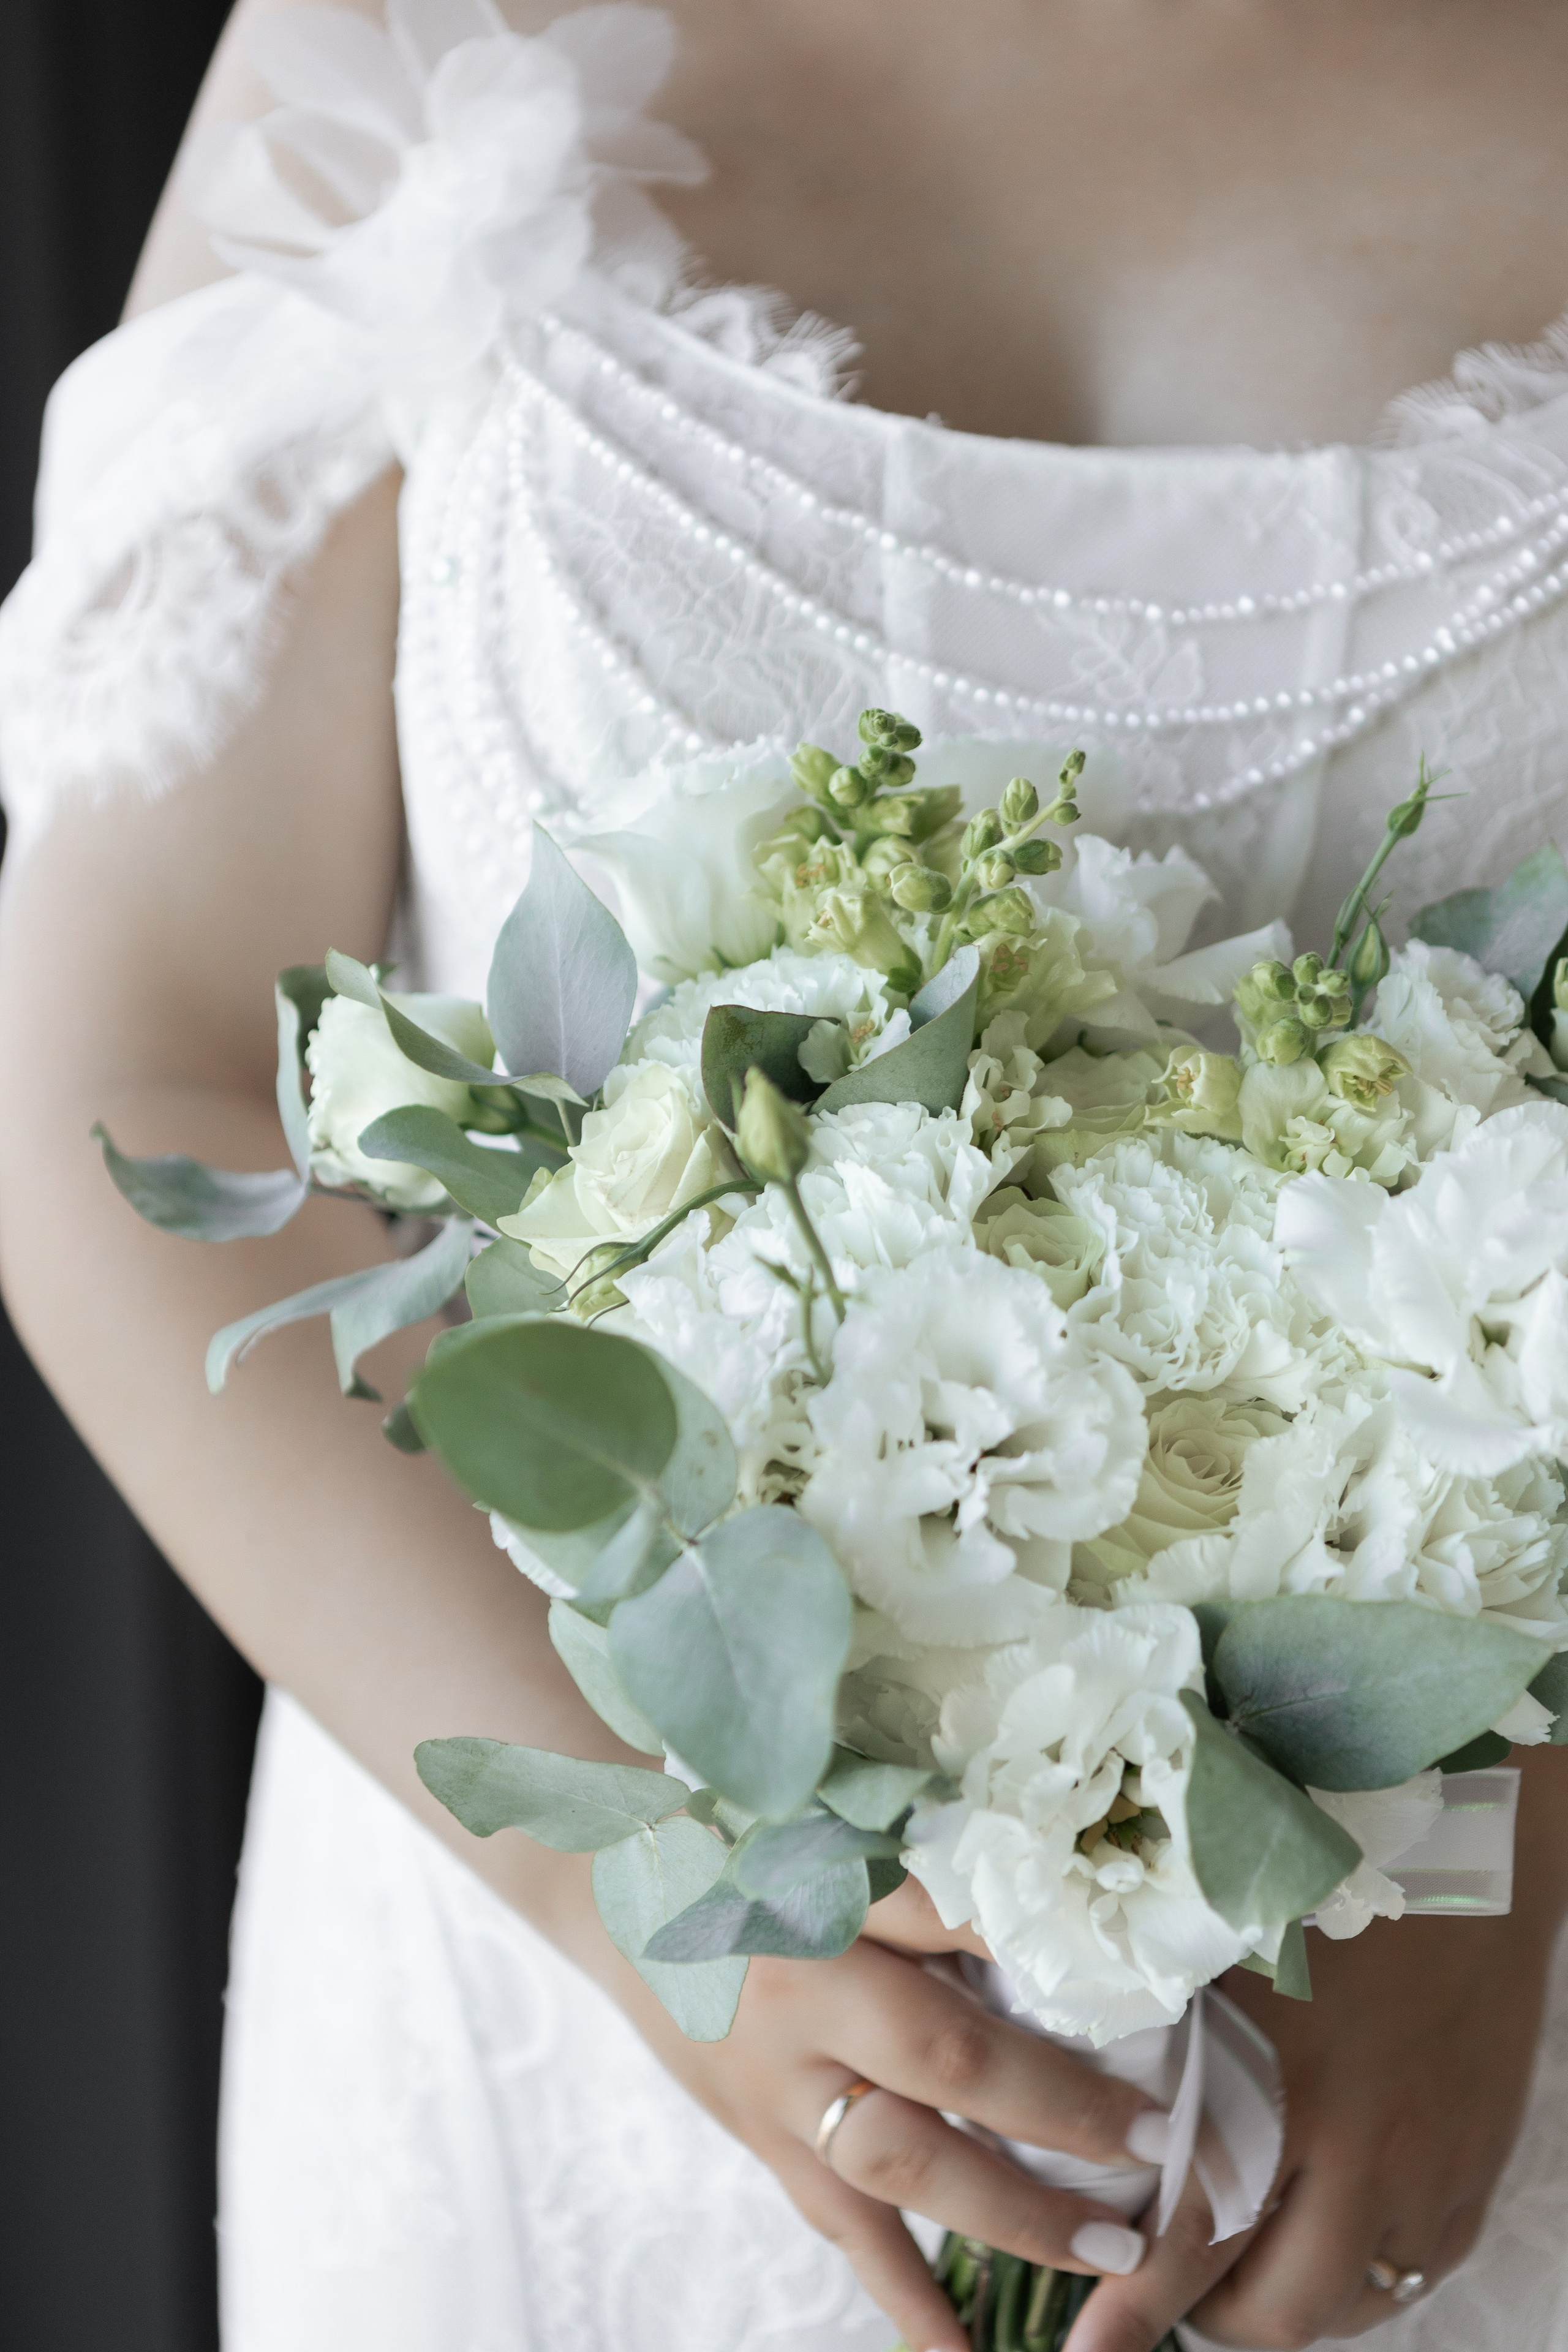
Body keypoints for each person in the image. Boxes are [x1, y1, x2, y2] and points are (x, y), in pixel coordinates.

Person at [4, 4, 1568, 2348]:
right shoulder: (426, 42)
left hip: (1423, 2080)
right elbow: (138, 1084)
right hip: (555, 2040)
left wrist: (1500, 1871)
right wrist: (617, 1889)